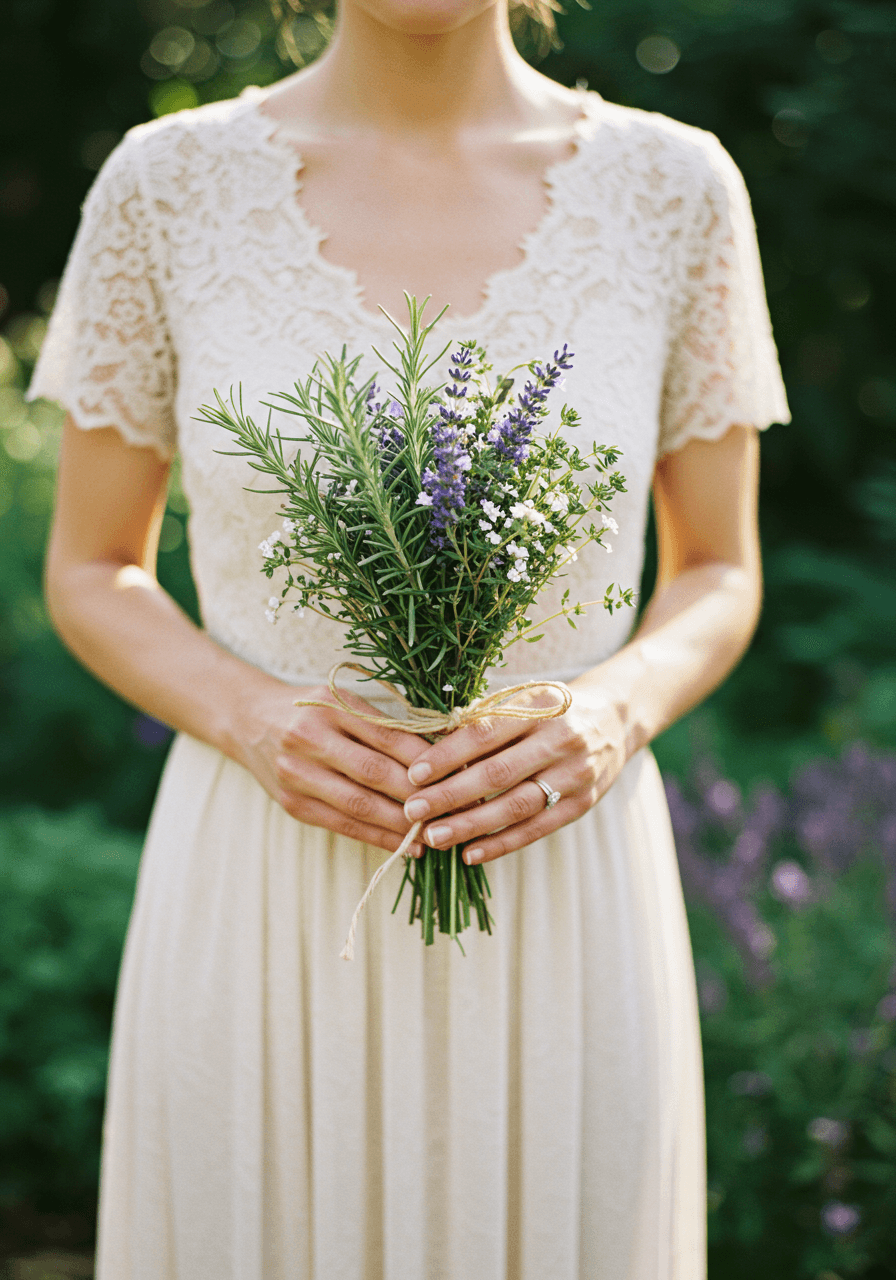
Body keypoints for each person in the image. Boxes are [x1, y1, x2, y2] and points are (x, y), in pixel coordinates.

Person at [30, 0, 789, 1271]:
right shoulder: (166, 186)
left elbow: (715, 568)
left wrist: (610, 712)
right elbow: (92, 564)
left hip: (560, 876)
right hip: (264, 882)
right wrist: (251, 716)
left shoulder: (676, 188)